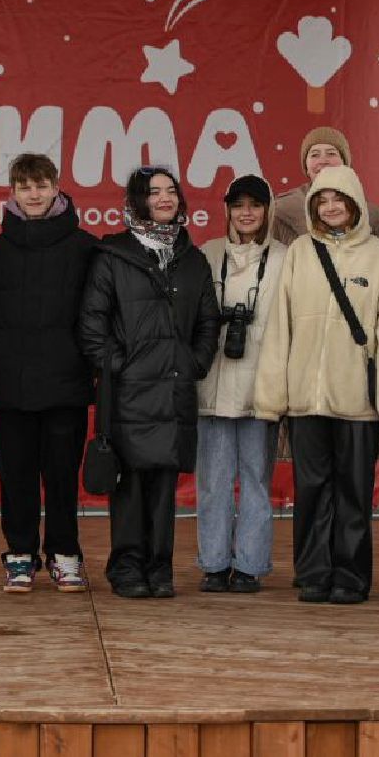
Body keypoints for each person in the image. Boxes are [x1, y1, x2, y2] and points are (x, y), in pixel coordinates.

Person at [256, 166, 379, 604]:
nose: (330, 207)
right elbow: (279, 327)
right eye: (322, 200)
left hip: (357, 400)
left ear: (355, 203)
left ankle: (351, 577)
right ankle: (313, 574)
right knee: (310, 490)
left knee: (354, 492)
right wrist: (272, 396)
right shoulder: (300, 252)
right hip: (305, 401)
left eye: (338, 199)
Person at [79, 166, 220, 599]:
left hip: (174, 389)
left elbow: (208, 322)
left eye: (170, 190)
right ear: (137, 201)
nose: (163, 198)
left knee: (163, 485)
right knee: (130, 484)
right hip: (129, 392)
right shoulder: (113, 255)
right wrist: (122, 366)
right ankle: (126, 568)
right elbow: (92, 325)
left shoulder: (192, 260)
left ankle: (160, 569)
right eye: (153, 191)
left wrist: (194, 363)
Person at [0, 153, 98, 593]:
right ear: (12, 192)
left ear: (56, 188)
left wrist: (76, 357)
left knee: (62, 476)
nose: (33, 194)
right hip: (12, 383)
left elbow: (94, 313)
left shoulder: (86, 248)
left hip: (67, 383)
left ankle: (65, 555)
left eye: (41, 185)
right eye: (24, 186)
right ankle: (20, 555)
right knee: (16, 475)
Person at [195, 175, 286, 594]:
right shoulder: (208, 253)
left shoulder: (284, 257)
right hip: (212, 385)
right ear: (227, 210)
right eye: (238, 205)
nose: (246, 213)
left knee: (255, 480)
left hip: (260, 386)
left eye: (255, 205)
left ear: (267, 210)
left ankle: (249, 564)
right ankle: (214, 564)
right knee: (213, 482)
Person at [271, 126, 379, 246]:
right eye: (314, 155)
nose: (323, 161)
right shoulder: (282, 211)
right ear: (306, 167)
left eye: (331, 154)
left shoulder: (373, 215)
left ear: (345, 163)